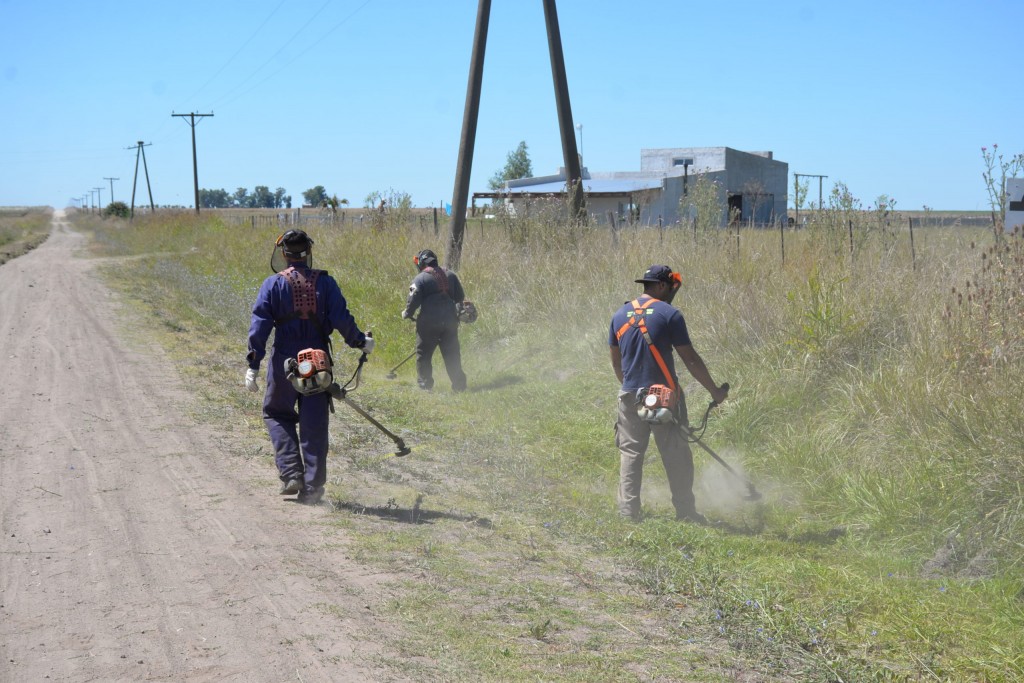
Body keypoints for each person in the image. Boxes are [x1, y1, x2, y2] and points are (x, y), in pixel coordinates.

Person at [245, 230, 374, 505]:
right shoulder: (326, 283)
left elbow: (260, 325)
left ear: (283, 254)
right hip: (317, 360)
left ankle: (292, 474)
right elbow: (342, 318)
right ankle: (313, 487)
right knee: (314, 422)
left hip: (285, 360)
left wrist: (253, 364)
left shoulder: (272, 284)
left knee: (277, 413)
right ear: (308, 252)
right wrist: (361, 341)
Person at [609, 265, 729, 523]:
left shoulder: (620, 314)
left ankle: (628, 513)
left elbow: (617, 364)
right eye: (673, 286)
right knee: (676, 456)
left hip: (629, 394)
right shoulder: (670, 314)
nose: (674, 292)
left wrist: (634, 390)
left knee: (630, 453)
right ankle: (685, 512)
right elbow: (691, 360)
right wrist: (715, 392)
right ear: (662, 286)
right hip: (663, 398)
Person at [401, 249, 467, 392]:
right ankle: (459, 386)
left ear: (421, 263)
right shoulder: (451, 275)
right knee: (452, 355)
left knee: (423, 355)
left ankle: (425, 386)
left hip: (428, 325)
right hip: (450, 323)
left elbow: (413, 301)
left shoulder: (420, 279)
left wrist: (407, 313)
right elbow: (460, 298)